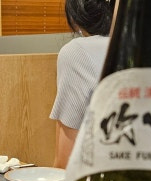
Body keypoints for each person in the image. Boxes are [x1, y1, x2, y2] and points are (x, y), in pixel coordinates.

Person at [50, 0, 116, 168]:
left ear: (74, 18)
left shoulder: (77, 52)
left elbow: (66, 161)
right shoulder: (149, 46)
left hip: (103, 178)